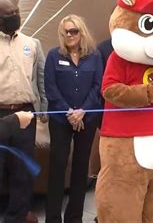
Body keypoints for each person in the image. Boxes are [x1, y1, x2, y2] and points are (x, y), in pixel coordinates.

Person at [44, 14, 103, 223]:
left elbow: (98, 87)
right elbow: (50, 88)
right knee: (58, 166)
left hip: (87, 119)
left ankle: (74, 217)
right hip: (61, 119)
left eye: (74, 31)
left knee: (80, 167)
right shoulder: (53, 56)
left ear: (81, 32)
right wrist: (69, 112)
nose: (70, 35)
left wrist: (82, 111)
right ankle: (52, 217)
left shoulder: (95, 57)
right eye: (66, 31)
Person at [0, 0, 47, 223]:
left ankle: (17, 216)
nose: (14, 17)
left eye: (15, 12)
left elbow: (41, 80)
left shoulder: (32, 43)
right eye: (8, 15)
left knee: (23, 168)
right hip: (1, 114)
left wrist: (43, 110)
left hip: (26, 114)